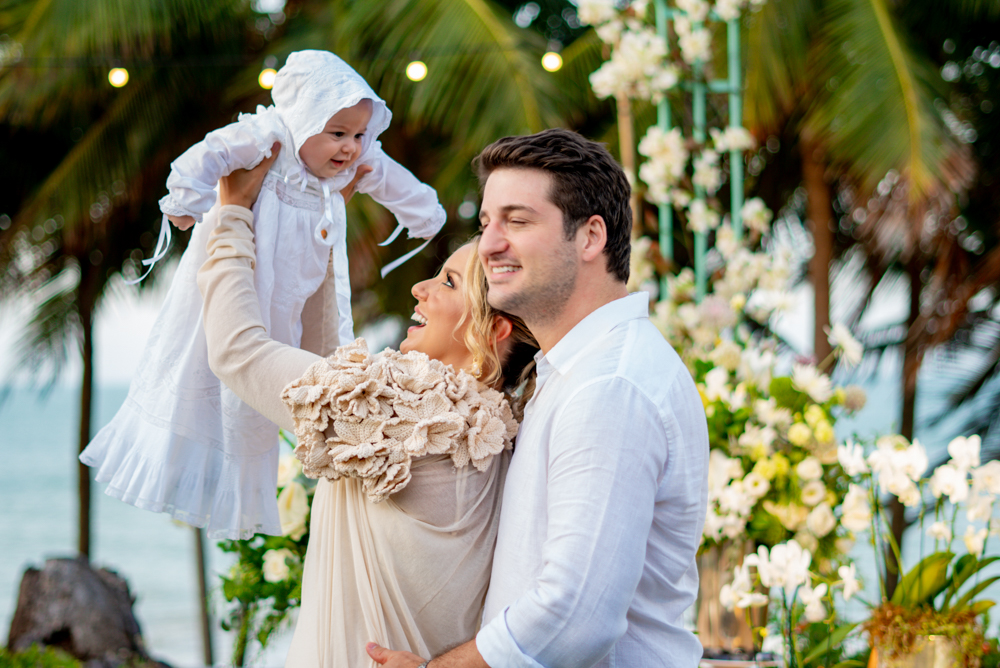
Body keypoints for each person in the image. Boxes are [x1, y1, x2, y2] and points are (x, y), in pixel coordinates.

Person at [367, 129, 710, 668]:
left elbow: (577, 614)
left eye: (518, 221)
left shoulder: (609, 387)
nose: (490, 244)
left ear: (590, 236)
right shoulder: (571, 372)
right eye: (486, 224)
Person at [195, 146, 539, 667]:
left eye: (447, 282)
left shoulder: (401, 412)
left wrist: (232, 214)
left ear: (493, 331)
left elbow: (237, 351)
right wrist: (321, 228)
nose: (421, 288)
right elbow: (322, 365)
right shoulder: (493, 428)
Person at [81, 50, 446, 539]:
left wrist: (427, 215)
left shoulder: (346, 170)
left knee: (268, 387)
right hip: (241, 268)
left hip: (291, 295)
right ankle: (185, 461)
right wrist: (185, 198)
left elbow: (395, 181)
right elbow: (210, 153)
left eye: (359, 135)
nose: (351, 147)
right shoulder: (267, 137)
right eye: (336, 133)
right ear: (303, 116)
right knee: (205, 357)